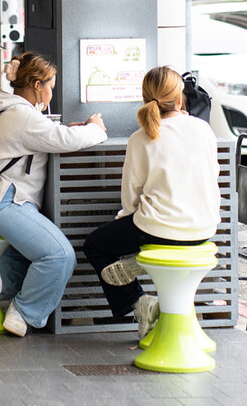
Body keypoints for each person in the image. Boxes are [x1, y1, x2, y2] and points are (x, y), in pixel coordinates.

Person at [0, 51, 108, 337]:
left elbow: (41, 135)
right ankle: (23, 311)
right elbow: (65, 139)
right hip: (4, 204)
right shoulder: (22, 115)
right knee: (60, 256)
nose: (51, 94)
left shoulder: (1, 107)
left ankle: (10, 299)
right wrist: (96, 128)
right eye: (50, 87)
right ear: (35, 84)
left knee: (22, 254)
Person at [83, 65, 221, 339]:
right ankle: (139, 261)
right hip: (204, 230)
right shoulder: (203, 129)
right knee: (140, 234)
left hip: (158, 228)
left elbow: (131, 198)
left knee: (95, 245)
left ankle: (139, 301)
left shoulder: (141, 137)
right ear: (180, 98)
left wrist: (126, 222)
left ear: (144, 98)